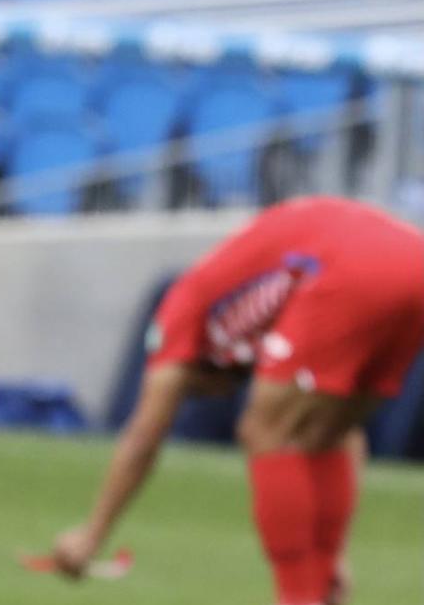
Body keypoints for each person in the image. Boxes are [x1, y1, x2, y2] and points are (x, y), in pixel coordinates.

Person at [49, 196, 424, 605]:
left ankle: (299, 596)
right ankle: (322, 588)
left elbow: (143, 438)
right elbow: (346, 438)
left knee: (263, 430)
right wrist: (335, 554)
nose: (215, 395)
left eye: (197, 390)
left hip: (352, 268)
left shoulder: (182, 313)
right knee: (328, 430)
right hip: (412, 260)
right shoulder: (242, 303)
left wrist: (92, 534)